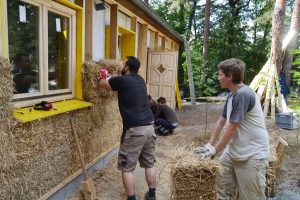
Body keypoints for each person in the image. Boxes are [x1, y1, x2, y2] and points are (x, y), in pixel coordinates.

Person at [194, 58, 270, 200]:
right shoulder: (231, 96)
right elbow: (221, 122)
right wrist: (210, 145)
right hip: (235, 151)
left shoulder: (243, 94)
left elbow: (231, 129)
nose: (218, 78)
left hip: (252, 153)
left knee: (251, 196)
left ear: (230, 76)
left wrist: (215, 151)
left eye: (221, 74)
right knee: (222, 187)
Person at [99, 56, 156, 200]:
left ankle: (131, 198)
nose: (122, 65)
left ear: (126, 68)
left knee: (127, 168)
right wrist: (112, 77)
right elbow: (119, 83)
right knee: (149, 163)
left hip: (135, 130)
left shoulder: (121, 80)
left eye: (123, 63)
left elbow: (103, 84)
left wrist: (103, 74)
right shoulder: (141, 80)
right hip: (150, 127)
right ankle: (152, 195)